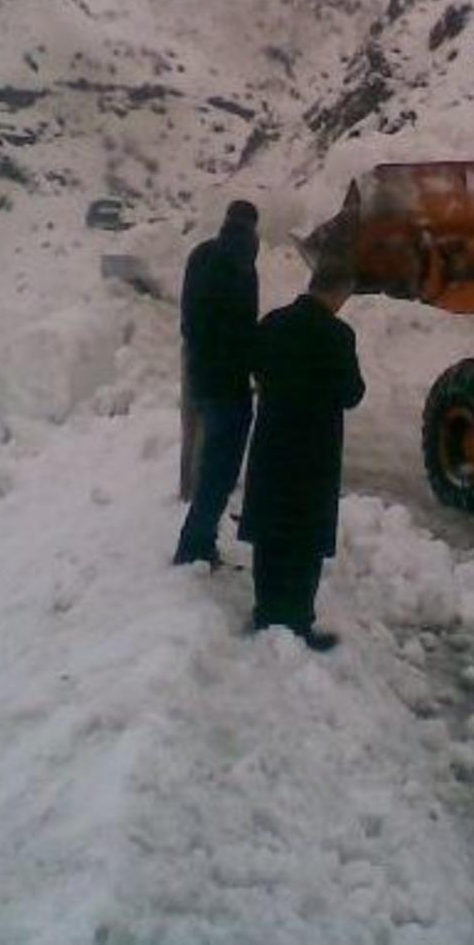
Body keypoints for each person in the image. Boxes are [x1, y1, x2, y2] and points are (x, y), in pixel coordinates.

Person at [238, 256, 365, 651]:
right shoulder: (338, 334)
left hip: (273, 439)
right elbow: (352, 394)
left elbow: (252, 365)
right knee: (305, 534)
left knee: (271, 526)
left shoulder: (273, 322)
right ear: (340, 292)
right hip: (314, 448)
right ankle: (297, 618)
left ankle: (265, 610)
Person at [173, 200, 260, 567]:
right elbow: (243, 328)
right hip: (229, 383)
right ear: (253, 228)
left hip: (198, 372)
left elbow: (189, 316)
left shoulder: (200, 254)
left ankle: (198, 537)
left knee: (206, 459)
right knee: (220, 471)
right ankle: (194, 547)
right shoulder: (243, 265)